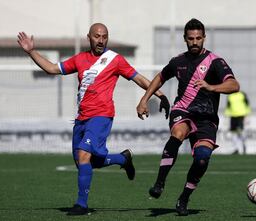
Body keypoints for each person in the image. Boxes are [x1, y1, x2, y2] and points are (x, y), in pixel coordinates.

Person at [17, 23, 170, 216]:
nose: (101, 40)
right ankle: (122, 159)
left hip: (102, 116)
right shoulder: (80, 59)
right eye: (97, 36)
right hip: (82, 118)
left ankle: (81, 204)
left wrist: (161, 96)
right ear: (88, 37)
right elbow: (52, 68)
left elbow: (139, 79)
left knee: (83, 155)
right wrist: (31, 51)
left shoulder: (115, 59)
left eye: (104, 36)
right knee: (86, 163)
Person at [136, 18, 240, 216]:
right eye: (191, 38)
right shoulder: (178, 61)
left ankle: (184, 198)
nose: (195, 42)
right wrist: (144, 99)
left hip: (207, 118)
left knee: (202, 160)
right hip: (183, 111)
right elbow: (160, 77)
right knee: (178, 132)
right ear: (185, 39)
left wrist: (212, 86)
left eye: (198, 38)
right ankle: (159, 182)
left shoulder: (215, 62)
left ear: (204, 38)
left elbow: (234, 85)